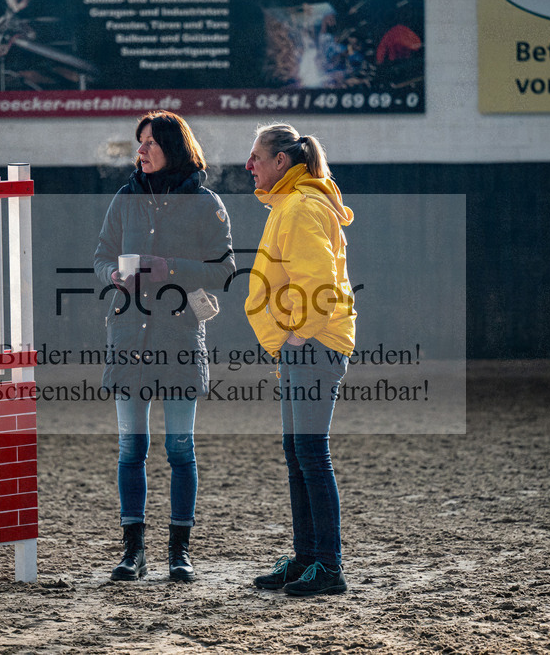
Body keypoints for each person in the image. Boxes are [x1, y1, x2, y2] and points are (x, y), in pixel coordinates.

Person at [94, 111, 235, 582]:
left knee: (180, 450)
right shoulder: (124, 198)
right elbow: (100, 256)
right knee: (131, 450)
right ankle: (133, 551)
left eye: (150, 142)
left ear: (173, 146)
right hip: (128, 335)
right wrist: (112, 274)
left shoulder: (206, 201)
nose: (141, 150)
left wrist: (168, 268)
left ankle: (180, 551)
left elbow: (223, 270)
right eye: (139, 142)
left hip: (177, 338)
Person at [243, 123, 356, 596]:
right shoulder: (289, 205)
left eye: (256, 157)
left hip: (314, 345)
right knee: (298, 453)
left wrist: (297, 334)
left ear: (281, 163)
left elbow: (319, 279)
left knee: (310, 452)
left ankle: (327, 566)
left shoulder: (302, 206)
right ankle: (308, 558)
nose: (249, 165)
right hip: (303, 346)